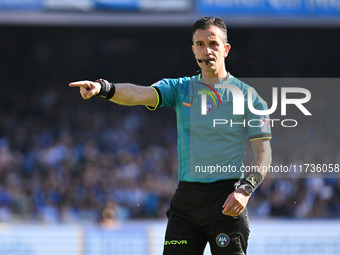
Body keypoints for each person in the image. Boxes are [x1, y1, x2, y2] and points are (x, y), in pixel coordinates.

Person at [69, 17, 272, 255]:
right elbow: (138, 94)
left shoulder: (249, 97)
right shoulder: (180, 88)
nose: (206, 50)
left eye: (213, 43)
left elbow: (264, 152)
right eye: (199, 44)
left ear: (226, 49)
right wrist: (104, 88)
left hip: (227, 199)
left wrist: (245, 189)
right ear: (193, 49)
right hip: (186, 202)